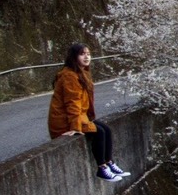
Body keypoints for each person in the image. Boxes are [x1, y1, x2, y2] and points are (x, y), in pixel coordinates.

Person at [48, 43, 130, 182]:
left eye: (88, 54)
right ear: (74, 57)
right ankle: (102, 168)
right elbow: (72, 103)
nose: (86, 57)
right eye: (82, 54)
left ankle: (109, 162)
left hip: (79, 116)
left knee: (106, 129)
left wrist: (88, 118)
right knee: (99, 132)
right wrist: (75, 128)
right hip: (65, 120)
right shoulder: (69, 76)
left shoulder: (81, 73)